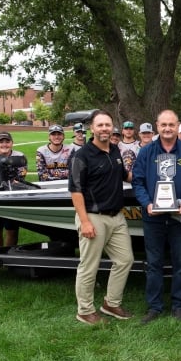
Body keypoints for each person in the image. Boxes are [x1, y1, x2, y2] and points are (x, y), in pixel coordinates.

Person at [132, 110, 181, 324]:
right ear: (157, 126)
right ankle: (154, 307)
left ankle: (179, 305)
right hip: (153, 218)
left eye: (171, 125)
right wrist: (147, 203)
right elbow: (137, 181)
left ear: (178, 125)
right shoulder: (146, 152)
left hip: (179, 217)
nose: (167, 128)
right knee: (154, 263)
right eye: (163, 125)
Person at [69, 110, 134, 326]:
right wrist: (85, 221)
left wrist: (154, 176)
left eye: (107, 124)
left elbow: (125, 176)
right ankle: (85, 310)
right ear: (92, 128)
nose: (104, 129)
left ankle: (111, 303)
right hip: (93, 217)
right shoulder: (82, 155)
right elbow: (75, 191)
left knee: (125, 260)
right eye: (100, 125)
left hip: (117, 217)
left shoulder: (114, 150)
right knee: (89, 265)